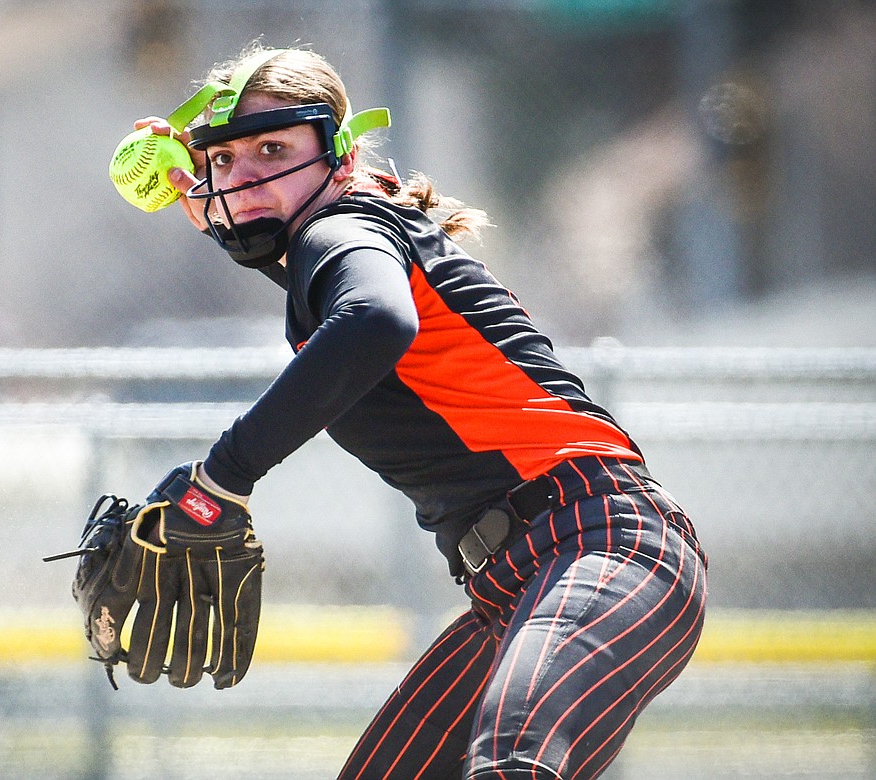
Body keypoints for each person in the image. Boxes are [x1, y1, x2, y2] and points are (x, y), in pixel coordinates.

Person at [129, 44, 708, 780]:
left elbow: (374, 320)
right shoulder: (342, 239)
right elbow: (341, 290)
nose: (244, 176)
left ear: (340, 160)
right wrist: (227, 209)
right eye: (224, 161)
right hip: (527, 579)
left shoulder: (340, 231)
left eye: (273, 148)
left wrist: (221, 478)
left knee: (513, 765)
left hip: (603, 548)